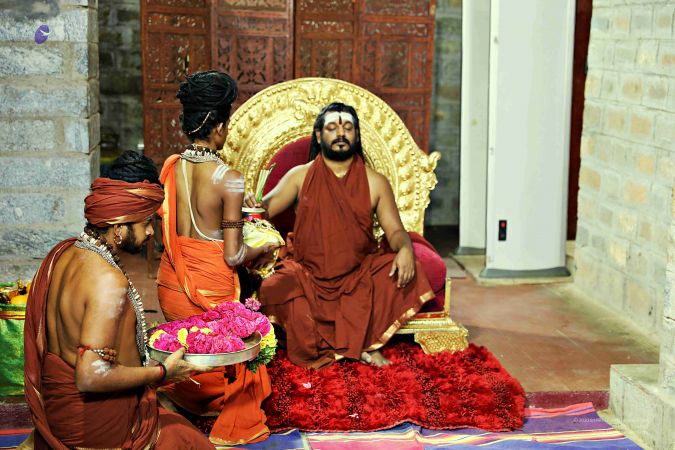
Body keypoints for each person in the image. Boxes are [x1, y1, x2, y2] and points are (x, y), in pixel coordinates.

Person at [23, 176, 216, 449]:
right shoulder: (107, 280)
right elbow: (91, 376)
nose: (151, 232)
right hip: (96, 424)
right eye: (146, 222)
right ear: (118, 227)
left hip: (60, 411)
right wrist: (162, 373)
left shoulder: (65, 253)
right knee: (188, 440)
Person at [245, 102, 435, 369]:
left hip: (359, 274)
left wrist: (405, 249)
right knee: (272, 286)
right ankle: (359, 346)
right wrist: (252, 205)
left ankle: (367, 344)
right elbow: (264, 208)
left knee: (407, 270)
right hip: (307, 273)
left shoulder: (375, 181)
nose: (341, 133)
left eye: (348, 127)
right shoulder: (300, 176)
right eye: (332, 128)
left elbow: (395, 231)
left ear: (356, 135)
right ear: (319, 135)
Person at [156, 70, 275, 446]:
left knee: (191, 340)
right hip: (211, 291)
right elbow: (234, 254)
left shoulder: (171, 167)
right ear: (220, 127)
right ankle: (209, 400)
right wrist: (265, 246)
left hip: (170, 286)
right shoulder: (230, 178)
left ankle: (181, 391)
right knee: (252, 373)